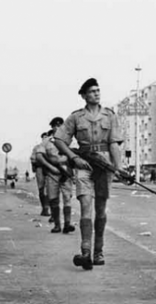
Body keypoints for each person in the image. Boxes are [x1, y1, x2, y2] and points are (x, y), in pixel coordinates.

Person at [54, 78, 124, 270]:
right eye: (92, 91)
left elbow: (114, 143)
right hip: (84, 164)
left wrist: (118, 168)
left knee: (100, 210)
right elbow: (59, 139)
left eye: (98, 90)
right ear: (84, 96)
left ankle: (98, 251)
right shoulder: (76, 117)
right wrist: (73, 157)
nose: (96, 93)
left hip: (104, 166)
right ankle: (85, 251)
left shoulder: (109, 115)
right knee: (86, 206)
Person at [37, 117, 76, 234]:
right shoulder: (46, 141)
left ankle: (67, 224)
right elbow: (39, 156)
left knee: (67, 198)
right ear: (52, 127)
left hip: (66, 172)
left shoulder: (69, 140)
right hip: (52, 173)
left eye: (60, 125)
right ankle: (57, 225)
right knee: (53, 199)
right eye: (55, 125)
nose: (57, 127)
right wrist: (51, 168)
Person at [31, 133, 51, 217]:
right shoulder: (37, 147)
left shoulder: (51, 147)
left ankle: (47, 208)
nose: (45, 139)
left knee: (50, 188)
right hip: (40, 168)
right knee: (41, 188)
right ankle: (44, 207)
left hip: (50, 168)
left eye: (47, 137)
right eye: (44, 137)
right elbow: (32, 159)